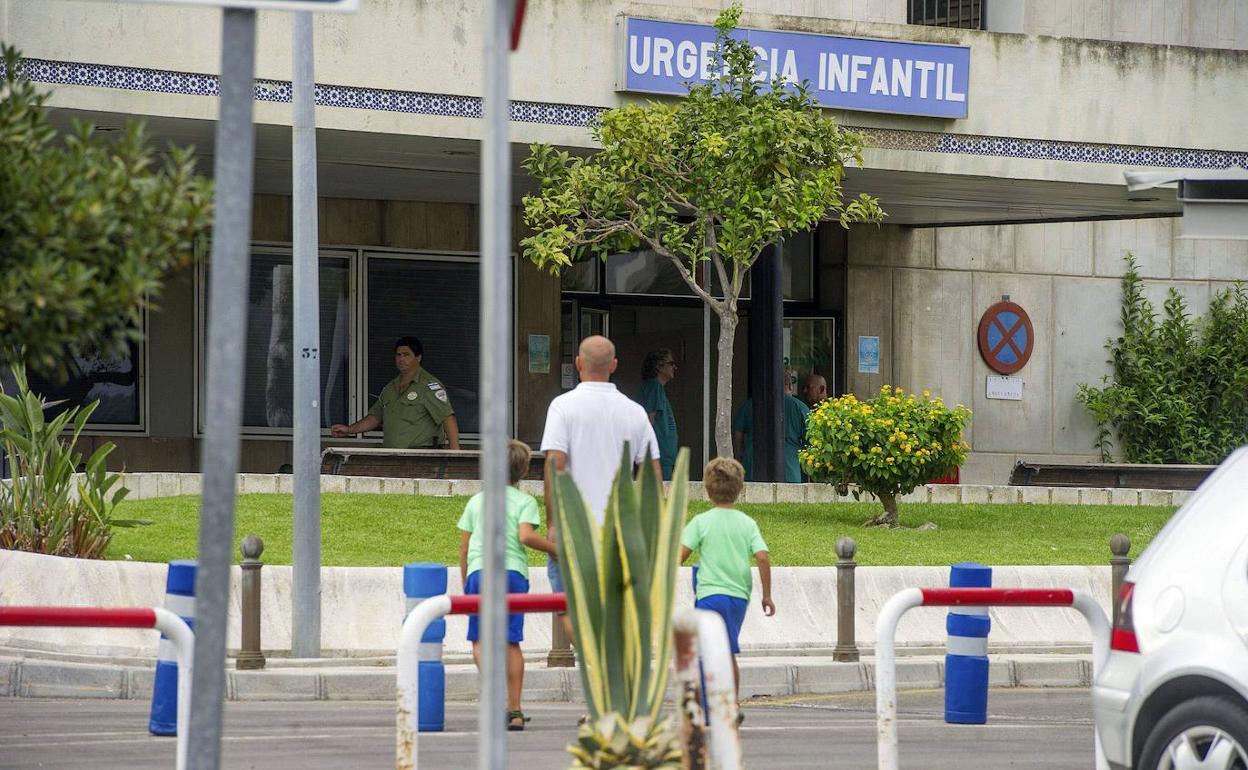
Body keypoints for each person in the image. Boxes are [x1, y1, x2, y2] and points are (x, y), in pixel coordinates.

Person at [540, 335, 660, 642]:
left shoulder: (562, 407)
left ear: (579, 364)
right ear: (614, 366)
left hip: (574, 528)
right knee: (616, 607)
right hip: (621, 531)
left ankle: (590, 656)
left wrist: (553, 522)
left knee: (569, 605)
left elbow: (556, 464)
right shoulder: (634, 412)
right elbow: (651, 476)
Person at [457, 439, 556, 732]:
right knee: (511, 641)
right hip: (513, 572)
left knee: (480, 640)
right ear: (523, 470)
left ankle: (492, 696)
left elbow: (464, 548)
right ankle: (514, 709)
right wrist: (555, 550)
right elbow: (525, 536)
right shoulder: (524, 501)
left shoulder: (477, 501)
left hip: (480, 571)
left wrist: (466, 582)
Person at [680, 456, 774, 711]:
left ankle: (702, 703)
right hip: (738, 596)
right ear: (739, 489)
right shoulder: (747, 524)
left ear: (707, 490)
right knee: (728, 650)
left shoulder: (701, 522)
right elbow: (763, 557)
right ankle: (731, 703)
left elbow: (680, 555)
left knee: (704, 649)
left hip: (710, 594)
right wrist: (767, 595)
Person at [330, 336, 460, 449]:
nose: (401, 359)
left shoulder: (429, 386)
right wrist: (350, 430)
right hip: (393, 457)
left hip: (422, 457)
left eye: (406, 354)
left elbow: (447, 417)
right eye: (398, 355)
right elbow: (375, 417)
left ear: (418, 357)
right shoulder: (390, 388)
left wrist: (455, 454)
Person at [732, 374, 811, 483]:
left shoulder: (751, 404)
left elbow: (738, 432)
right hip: (788, 468)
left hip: (753, 466)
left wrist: (739, 456)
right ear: (789, 386)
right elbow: (811, 438)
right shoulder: (800, 407)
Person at [637, 348, 678, 480]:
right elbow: (649, 421)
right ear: (659, 366)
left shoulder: (656, 388)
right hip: (658, 456)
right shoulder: (654, 387)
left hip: (663, 456)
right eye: (671, 364)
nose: (674, 367)